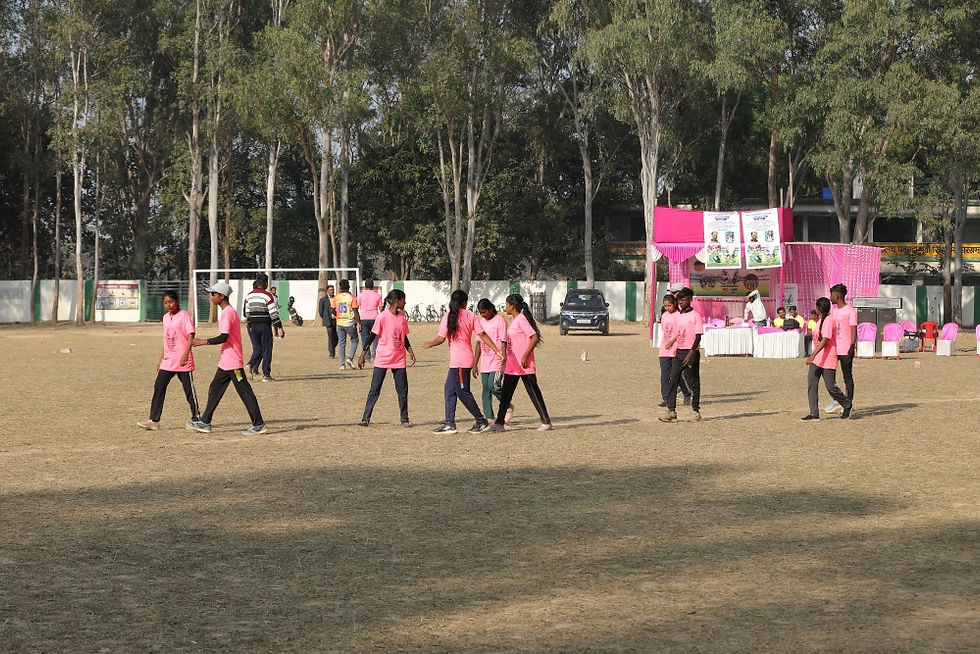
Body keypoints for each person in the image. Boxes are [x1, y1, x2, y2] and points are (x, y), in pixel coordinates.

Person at [187, 282, 267, 435]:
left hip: (233, 362)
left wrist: (202, 341)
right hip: (226, 361)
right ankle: (205, 422)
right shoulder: (227, 312)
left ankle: (259, 424)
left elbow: (224, 337)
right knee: (214, 389)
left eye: (213, 294)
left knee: (245, 392)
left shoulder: (227, 313)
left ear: (221, 296)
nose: (211, 297)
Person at [423, 290, 503, 434]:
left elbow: (440, 339)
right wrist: (496, 350)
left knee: (462, 392)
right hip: (459, 361)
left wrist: (430, 343)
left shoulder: (447, 317)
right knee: (449, 390)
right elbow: (482, 335)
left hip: (460, 362)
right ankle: (449, 423)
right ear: (464, 303)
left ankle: (481, 421)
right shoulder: (469, 315)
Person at [137, 290, 201, 430]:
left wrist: (185, 354)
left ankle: (197, 418)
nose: (168, 305)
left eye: (171, 302)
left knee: (189, 390)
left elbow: (191, 335)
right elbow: (166, 339)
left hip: (182, 360)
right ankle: (154, 420)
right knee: (159, 386)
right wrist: (161, 359)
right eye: (165, 303)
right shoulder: (165, 317)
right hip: (168, 360)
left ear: (177, 301)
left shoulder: (184, 316)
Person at [490, 294, 552, 432]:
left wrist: (525, 356)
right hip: (512, 365)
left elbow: (535, 337)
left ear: (512, 307)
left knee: (534, 393)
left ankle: (546, 421)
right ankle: (499, 423)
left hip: (524, 364)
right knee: (506, 395)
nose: (505, 307)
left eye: (506, 305)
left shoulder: (522, 320)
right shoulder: (515, 320)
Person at [357, 289, 415, 427]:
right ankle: (365, 418)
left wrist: (410, 349)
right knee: (375, 389)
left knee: (403, 390)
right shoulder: (382, 317)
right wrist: (363, 354)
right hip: (383, 358)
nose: (405, 302)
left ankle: (404, 419)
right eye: (403, 300)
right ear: (397, 301)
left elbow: (404, 335)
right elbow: (372, 335)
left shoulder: (402, 317)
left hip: (399, 359)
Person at [801, 297, 852, 421]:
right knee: (812, 382)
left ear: (818, 308)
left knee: (830, 387)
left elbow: (825, 339)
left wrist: (812, 355)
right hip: (817, 358)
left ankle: (847, 404)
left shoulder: (829, 320)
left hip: (828, 357)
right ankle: (814, 413)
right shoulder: (819, 321)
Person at [659, 287, 703, 423]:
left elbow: (698, 336)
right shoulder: (678, 315)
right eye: (679, 300)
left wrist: (691, 353)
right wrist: (672, 342)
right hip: (679, 352)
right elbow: (677, 332)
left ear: (690, 300)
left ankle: (695, 411)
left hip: (691, 353)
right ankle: (671, 411)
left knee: (693, 382)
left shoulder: (695, 315)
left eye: (683, 300)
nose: (681, 303)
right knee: (673, 379)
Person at [473, 298, 510, 423]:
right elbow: (478, 343)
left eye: (484, 312)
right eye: (480, 313)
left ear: (491, 309)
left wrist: (504, 360)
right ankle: (489, 417)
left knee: (493, 385)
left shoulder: (500, 321)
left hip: (497, 359)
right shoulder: (481, 322)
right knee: (485, 389)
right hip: (485, 360)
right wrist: (475, 364)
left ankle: (507, 404)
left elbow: (504, 341)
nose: (483, 315)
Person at [244, 274, 284, 382]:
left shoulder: (248, 296)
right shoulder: (268, 296)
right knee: (267, 350)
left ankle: (249, 365)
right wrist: (279, 327)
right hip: (264, 326)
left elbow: (246, 313)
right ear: (266, 283)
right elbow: (273, 314)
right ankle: (266, 375)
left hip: (253, 327)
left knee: (257, 349)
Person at [827, 283, 858, 414]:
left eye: (832, 295)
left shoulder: (850, 310)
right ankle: (837, 399)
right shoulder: (834, 311)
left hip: (845, 348)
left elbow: (853, 329)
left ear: (838, 296)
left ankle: (848, 404)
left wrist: (852, 346)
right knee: (830, 376)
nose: (830, 297)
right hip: (834, 348)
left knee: (847, 376)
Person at [657, 294, 692, 408]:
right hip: (664, 349)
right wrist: (667, 342)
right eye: (665, 306)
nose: (667, 308)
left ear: (675, 304)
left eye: (669, 305)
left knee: (675, 375)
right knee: (665, 376)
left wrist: (672, 341)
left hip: (676, 348)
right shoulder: (664, 315)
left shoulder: (680, 315)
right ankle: (666, 398)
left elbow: (681, 331)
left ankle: (686, 393)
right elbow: (664, 330)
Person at [332, 279, 361, 370]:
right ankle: (350, 358)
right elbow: (355, 311)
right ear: (348, 287)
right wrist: (359, 323)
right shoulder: (352, 297)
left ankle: (342, 364)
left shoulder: (336, 297)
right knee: (355, 340)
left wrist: (337, 315)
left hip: (339, 322)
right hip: (349, 322)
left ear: (340, 287)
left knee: (342, 343)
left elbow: (332, 309)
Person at [358, 279, 383, 362]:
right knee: (375, 337)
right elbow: (381, 308)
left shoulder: (361, 295)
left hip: (364, 318)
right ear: (373, 286)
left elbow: (356, 307)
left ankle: (367, 356)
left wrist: (358, 322)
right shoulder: (377, 295)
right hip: (375, 318)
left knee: (365, 338)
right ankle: (375, 353)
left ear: (365, 286)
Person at [317, 285, 338, 358]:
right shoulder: (323, 300)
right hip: (328, 321)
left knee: (337, 337)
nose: (332, 291)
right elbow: (320, 311)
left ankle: (332, 347)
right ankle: (331, 353)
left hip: (336, 321)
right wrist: (325, 318)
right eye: (330, 289)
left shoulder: (336, 298)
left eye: (333, 289)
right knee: (330, 336)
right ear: (327, 291)